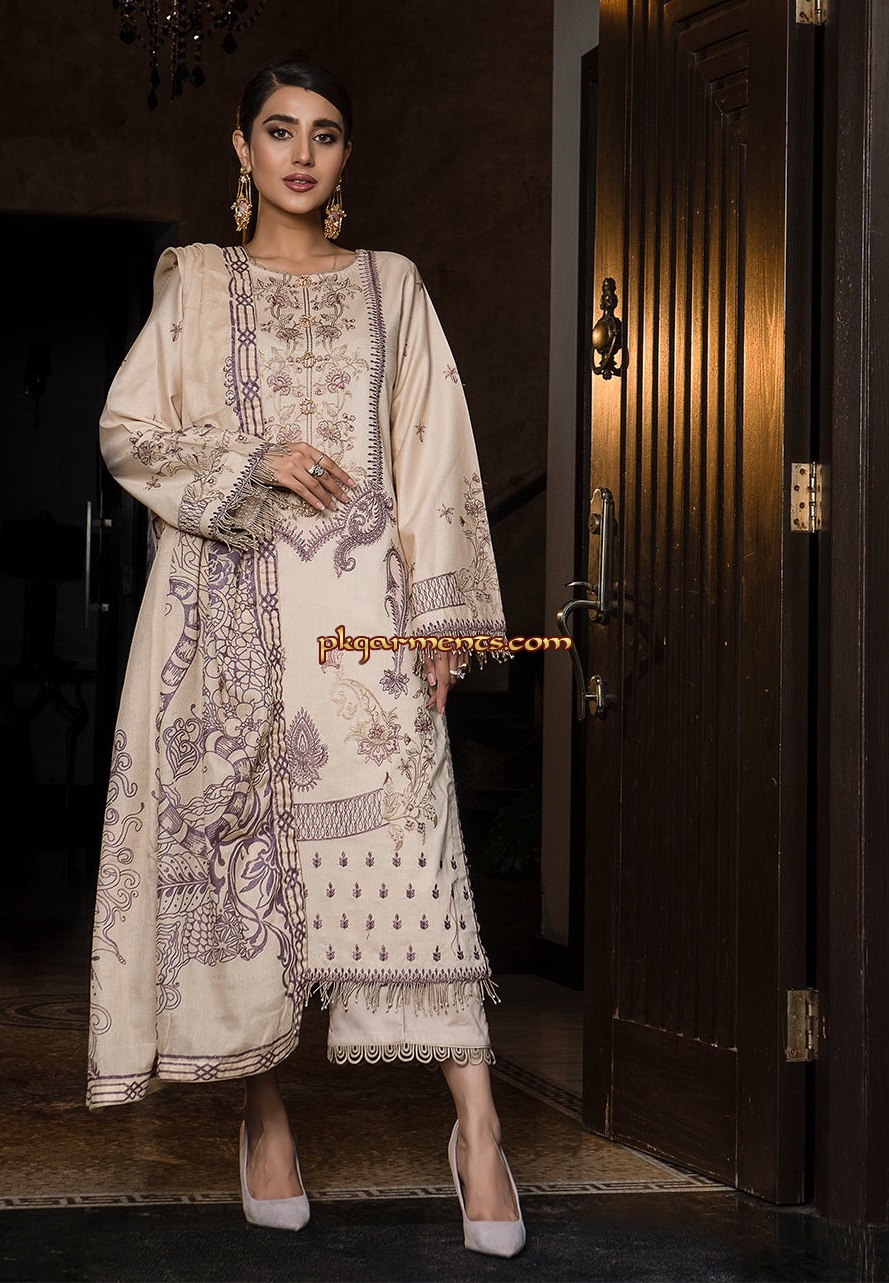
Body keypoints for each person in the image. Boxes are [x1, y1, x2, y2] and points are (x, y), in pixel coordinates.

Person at [87, 60, 524, 1257]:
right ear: (241, 148)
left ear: (344, 159)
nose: (300, 154)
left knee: (416, 861)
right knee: (244, 861)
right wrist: (254, 459)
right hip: (226, 617)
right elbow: (127, 428)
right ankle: (264, 1113)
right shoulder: (196, 282)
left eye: (324, 136)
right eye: (279, 131)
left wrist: (440, 622)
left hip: (363, 622)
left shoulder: (392, 286)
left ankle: (478, 1130)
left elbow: (435, 448)